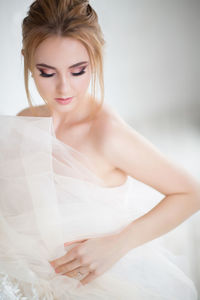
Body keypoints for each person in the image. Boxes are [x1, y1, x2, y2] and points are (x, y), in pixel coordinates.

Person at [0, 0, 199, 299]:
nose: (64, 88)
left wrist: (117, 245)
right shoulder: (27, 120)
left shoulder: (106, 135)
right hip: (32, 273)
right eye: (47, 73)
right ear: (28, 62)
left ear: (94, 60)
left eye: (78, 71)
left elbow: (191, 193)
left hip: (102, 278)